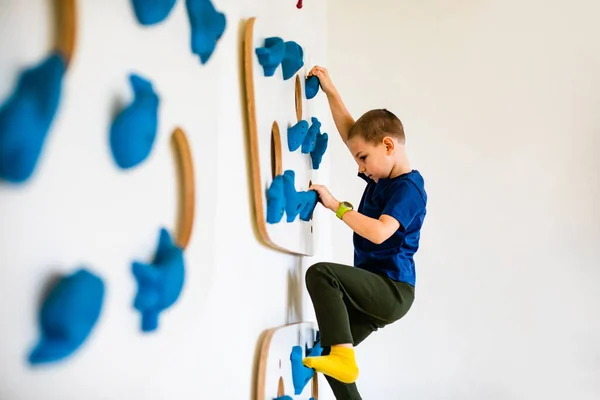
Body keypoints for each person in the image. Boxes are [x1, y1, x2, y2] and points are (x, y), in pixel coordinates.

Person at [302, 66, 428, 400]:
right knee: (326, 353)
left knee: (321, 274)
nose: (360, 166)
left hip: (392, 290)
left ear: (388, 146)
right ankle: (340, 362)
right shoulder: (380, 175)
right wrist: (330, 90)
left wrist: (338, 207)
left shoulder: (409, 189)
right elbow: (351, 133)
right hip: (376, 289)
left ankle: (342, 356)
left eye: (363, 158)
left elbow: (379, 233)